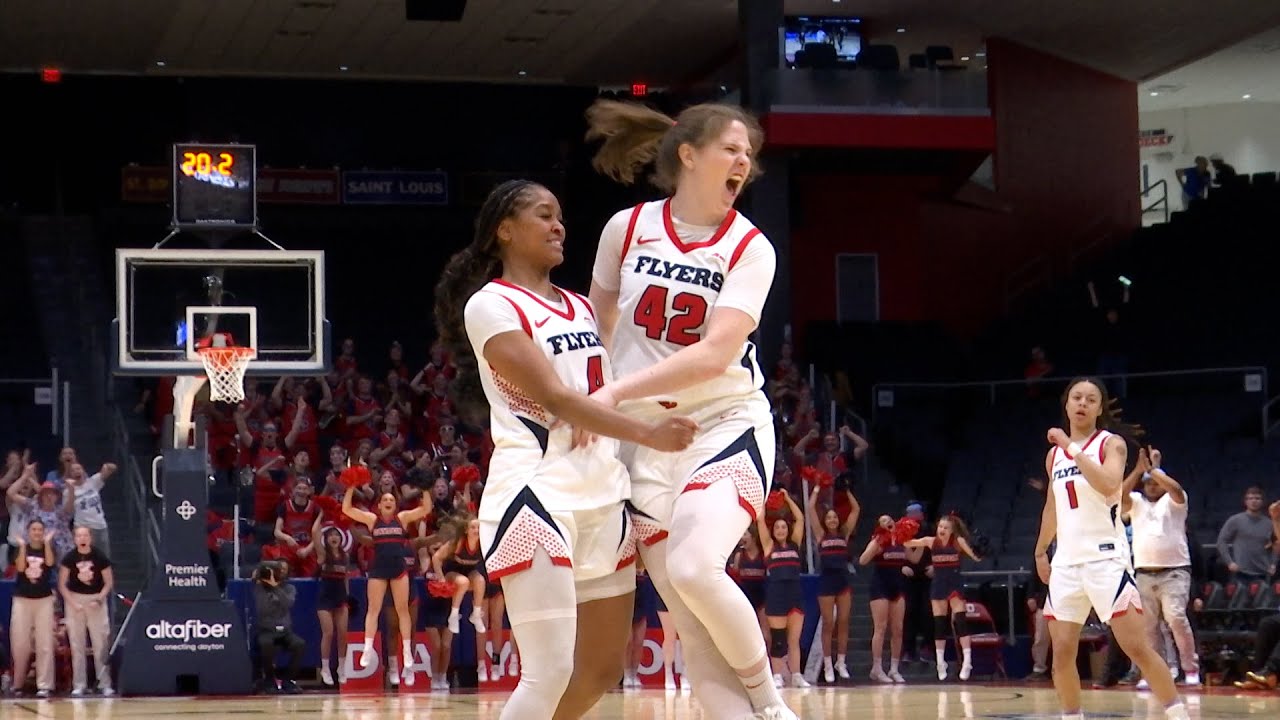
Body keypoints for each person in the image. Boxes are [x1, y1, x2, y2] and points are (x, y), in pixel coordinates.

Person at [433, 179, 697, 719]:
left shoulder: (580, 306)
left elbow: (604, 385)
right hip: (537, 495)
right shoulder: (492, 304)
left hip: (603, 493)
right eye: (544, 216)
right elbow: (553, 396)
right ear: (504, 230)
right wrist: (645, 433)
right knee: (548, 672)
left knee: (600, 671)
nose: (559, 227)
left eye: (561, 217)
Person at [584, 99, 794, 720]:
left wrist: (616, 393)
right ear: (688, 155)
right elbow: (597, 323)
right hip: (644, 442)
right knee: (691, 625)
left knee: (697, 566)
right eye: (731, 149)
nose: (743, 162)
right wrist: (598, 408)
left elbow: (714, 354)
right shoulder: (627, 228)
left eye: (748, 155)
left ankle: (772, 703)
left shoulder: (750, 248)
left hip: (722, 423)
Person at [1034, 378, 1189, 720]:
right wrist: (1041, 550)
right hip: (1066, 565)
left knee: (1137, 647)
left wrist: (1070, 446)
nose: (1083, 403)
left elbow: (1108, 485)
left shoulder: (1111, 444)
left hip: (1106, 559)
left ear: (1100, 408)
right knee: (1061, 653)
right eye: (1077, 397)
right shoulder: (1053, 456)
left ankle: (1180, 715)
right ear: (1067, 403)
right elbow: (1052, 506)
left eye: (1091, 399)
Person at [1121, 447, 1200, 686]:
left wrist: (1154, 469)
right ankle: (1154, 672)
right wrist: (1137, 470)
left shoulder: (1174, 501)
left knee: (1175, 618)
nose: (1152, 485)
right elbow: (1119, 495)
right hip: (1144, 572)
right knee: (1148, 628)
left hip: (1174, 571)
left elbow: (1175, 489)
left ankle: (1190, 668)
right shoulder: (1135, 503)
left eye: (1155, 482)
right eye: (1148, 482)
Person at [342, 481, 432, 687]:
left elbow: (426, 508)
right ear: (380, 506)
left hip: (399, 569)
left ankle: (407, 652)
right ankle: (367, 649)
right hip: (378, 569)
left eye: (392, 499)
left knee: (403, 611)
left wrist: (425, 486)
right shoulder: (373, 520)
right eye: (385, 500)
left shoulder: (402, 519)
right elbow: (346, 509)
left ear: (395, 505)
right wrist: (349, 486)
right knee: (373, 610)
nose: (389, 501)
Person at [905, 514, 982, 681]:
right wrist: (900, 533)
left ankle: (967, 661)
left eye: (946, 528)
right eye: (940, 527)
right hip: (938, 584)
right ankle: (940, 663)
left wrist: (979, 549)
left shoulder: (958, 541)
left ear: (952, 530)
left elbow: (976, 557)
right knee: (939, 624)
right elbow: (907, 544)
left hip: (954, 582)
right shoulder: (930, 541)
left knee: (960, 622)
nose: (942, 530)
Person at [756, 494, 809, 689]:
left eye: (783, 527)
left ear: (788, 529)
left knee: (794, 640)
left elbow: (800, 519)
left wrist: (787, 499)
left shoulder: (795, 543)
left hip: (795, 594)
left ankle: (796, 675)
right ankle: (777, 675)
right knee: (778, 640)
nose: (780, 530)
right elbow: (760, 519)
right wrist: (764, 501)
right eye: (777, 527)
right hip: (776, 595)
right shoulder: (769, 546)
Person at [808, 484, 859, 682]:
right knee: (829, 623)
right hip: (826, 582)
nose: (832, 520)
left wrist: (846, 490)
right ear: (825, 520)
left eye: (834, 517)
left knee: (844, 622)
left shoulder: (844, 533)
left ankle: (841, 662)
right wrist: (817, 487)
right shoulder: (821, 535)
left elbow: (856, 510)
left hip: (842, 580)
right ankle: (828, 664)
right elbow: (811, 508)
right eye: (828, 517)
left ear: (838, 520)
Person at [57, 526, 115, 696]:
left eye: (85, 535)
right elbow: (62, 585)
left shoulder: (99, 556)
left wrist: (100, 598)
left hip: (95, 600)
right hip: (75, 601)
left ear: (90, 538)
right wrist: (72, 603)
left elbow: (109, 582)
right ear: (74, 539)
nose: (82, 538)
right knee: (77, 645)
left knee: (100, 644)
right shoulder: (69, 558)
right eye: (79, 535)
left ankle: (105, 683)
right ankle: (79, 684)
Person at [10, 520, 56, 698]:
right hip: (22, 599)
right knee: (20, 644)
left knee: (45, 643)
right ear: (28, 532)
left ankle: (44, 685)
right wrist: (22, 546)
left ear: (43, 532)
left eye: (40, 530)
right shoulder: (20, 548)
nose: (37, 532)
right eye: (34, 529)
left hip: (44, 599)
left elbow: (50, 563)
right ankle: (17, 684)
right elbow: (20, 568)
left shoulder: (48, 547)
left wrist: (47, 543)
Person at [860, 515, 908, 683]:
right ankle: (877, 668)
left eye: (889, 519)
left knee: (898, 629)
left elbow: (914, 558)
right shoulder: (877, 540)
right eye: (883, 521)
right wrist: (877, 545)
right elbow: (863, 560)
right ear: (879, 526)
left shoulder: (902, 540)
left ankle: (894, 669)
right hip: (880, 585)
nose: (888, 521)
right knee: (880, 627)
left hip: (898, 586)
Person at [253, 561, 306, 694]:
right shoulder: (259, 588)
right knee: (266, 644)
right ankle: (269, 681)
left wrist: (275, 587)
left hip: (285, 632)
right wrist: (261, 580)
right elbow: (262, 609)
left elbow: (288, 603)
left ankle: (288, 681)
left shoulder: (290, 588)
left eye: (283, 570)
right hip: (267, 631)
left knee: (300, 644)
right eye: (278, 569)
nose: (280, 572)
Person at [314, 526, 352, 687]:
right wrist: (320, 515)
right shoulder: (323, 555)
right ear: (326, 539)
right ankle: (325, 668)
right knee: (328, 633)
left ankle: (342, 669)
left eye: (337, 534)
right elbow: (315, 534)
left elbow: (346, 578)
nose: (334, 537)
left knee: (343, 634)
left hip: (341, 598)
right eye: (330, 535)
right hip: (325, 599)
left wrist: (347, 597)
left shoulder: (346, 556)